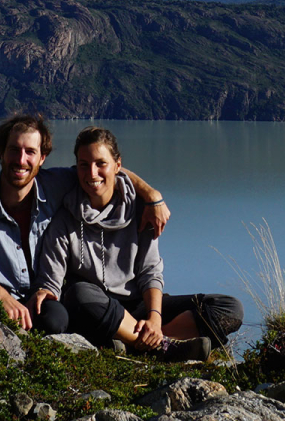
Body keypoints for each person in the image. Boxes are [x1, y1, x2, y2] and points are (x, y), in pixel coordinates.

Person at [0, 113, 171, 334]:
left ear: (42, 158)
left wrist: (151, 195)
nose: (21, 160)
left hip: (36, 300)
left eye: (30, 152)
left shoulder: (56, 183)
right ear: (0, 153)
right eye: (13, 150)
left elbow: (102, 170)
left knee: (57, 321)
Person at [32, 126, 242, 362]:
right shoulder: (65, 218)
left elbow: (150, 271)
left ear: (117, 166)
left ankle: (148, 343)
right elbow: (53, 277)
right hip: (97, 310)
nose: (92, 173)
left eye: (100, 163)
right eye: (84, 164)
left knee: (228, 308)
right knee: (78, 293)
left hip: (137, 306)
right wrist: (45, 290)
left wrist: (154, 317)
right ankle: (163, 347)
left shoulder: (142, 211)